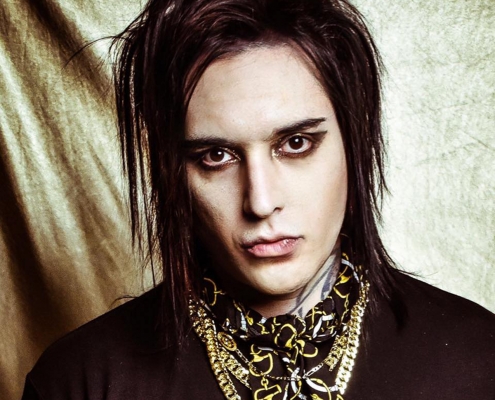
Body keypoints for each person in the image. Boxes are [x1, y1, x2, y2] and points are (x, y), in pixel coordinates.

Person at [21, 0, 494, 399]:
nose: (261, 202)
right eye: (216, 156)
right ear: (171, 172)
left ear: (354, 141)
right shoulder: (79, 381)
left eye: (296, 144)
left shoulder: (478, 361)